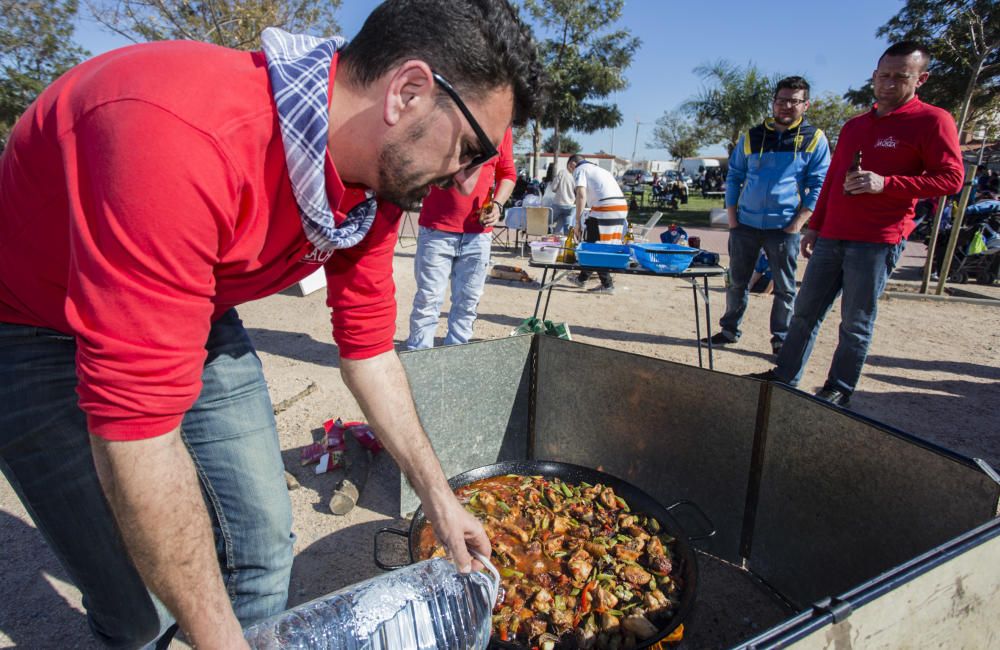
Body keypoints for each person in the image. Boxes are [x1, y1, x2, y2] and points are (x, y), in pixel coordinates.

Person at [0, 1, 544, 647]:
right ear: (409, 91)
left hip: (192, 309)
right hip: (30, 329)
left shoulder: (374, 181)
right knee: (142, 612)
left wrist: (438, 497)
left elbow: (369, 353)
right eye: (471, 149)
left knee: (261, 548)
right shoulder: (180, 133)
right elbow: (137, 433)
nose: (471, 182)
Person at [749, 42, 963, 406]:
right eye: (883, 75)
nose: (888, 83)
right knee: (804, 312)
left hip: (878, 239)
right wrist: (815, 225)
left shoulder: (933, 120)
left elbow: (951, 179)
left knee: (855, 321)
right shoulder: (855, 126)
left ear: (921, 78)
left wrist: (887, 184)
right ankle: (784, 377)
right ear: (874, 75)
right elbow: (833, 177)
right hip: (832, 235)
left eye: (900, 77)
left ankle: (839, 388)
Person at [706, 76, 830, 356]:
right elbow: (735, 174)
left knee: (785, 288)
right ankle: (729, 330)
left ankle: (781, 338)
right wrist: (733, 219)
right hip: (745, 225)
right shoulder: (752, 136)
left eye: (794, 101)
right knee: (737, 281)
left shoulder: (814, 139)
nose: (786, 106)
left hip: (784, 227)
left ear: (805, 105)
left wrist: (798, 223)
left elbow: (819, 183)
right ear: (773, 103)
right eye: (781, 100)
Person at [405, 127, 516, 350]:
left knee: (467, 304)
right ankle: (419, 358)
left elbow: (508, 174)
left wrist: (497, 204)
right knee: (428, 301)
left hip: (479, 235)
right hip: (437, 230)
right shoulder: (446, 114)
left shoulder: (501, 126)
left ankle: (456, 357)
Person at [565, 154, 629, 294]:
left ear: (572, 165)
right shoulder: (599, 169)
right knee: (597, 242)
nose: (572, 174)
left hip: (605, 208)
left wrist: (577, 222)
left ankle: (607, 285)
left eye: (570, 171)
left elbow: (581, 195)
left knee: (595, 246)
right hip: (621, 207)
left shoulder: (580, 169)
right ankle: (582, 279)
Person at [542, 161, 577, 234]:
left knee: (547, 222)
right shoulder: (576, 176)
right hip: (570, 205)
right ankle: (566, 241)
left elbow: (553, 188)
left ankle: (544, 236)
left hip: (558, 203)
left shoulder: (562, 172)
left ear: (568, 165)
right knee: (567, 225)